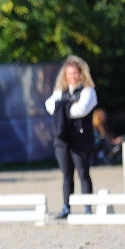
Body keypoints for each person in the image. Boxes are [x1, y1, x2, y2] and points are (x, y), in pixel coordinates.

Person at [45, 55, 98, 219]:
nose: (73, 77)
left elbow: (81, 110)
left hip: (80, 138)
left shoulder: (88, 91)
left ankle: (87, 207)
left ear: (81, 74)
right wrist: (69, 105)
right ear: (65, 75)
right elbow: (49, 105)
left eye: (75, 73)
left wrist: (63, 106)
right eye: (70, 73)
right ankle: (66, 207)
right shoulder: (60, 91)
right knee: (66, 174)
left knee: (83, 172)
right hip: (63, 139)